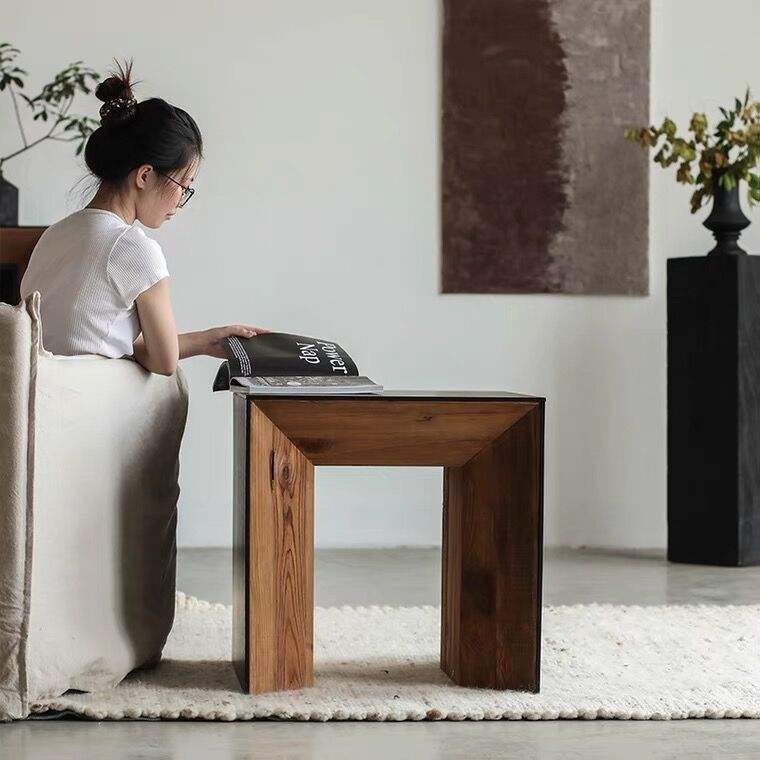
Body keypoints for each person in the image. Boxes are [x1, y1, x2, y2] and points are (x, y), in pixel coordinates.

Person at [20, 58, 268, 375]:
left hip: (35, 404)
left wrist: (207, 341)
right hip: (86, 411)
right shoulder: (135, 249)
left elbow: (90, 342)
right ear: (145, 175)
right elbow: (163, 361)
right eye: (184, 185)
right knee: (168, 382)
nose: (181, 201)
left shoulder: (54, 234)